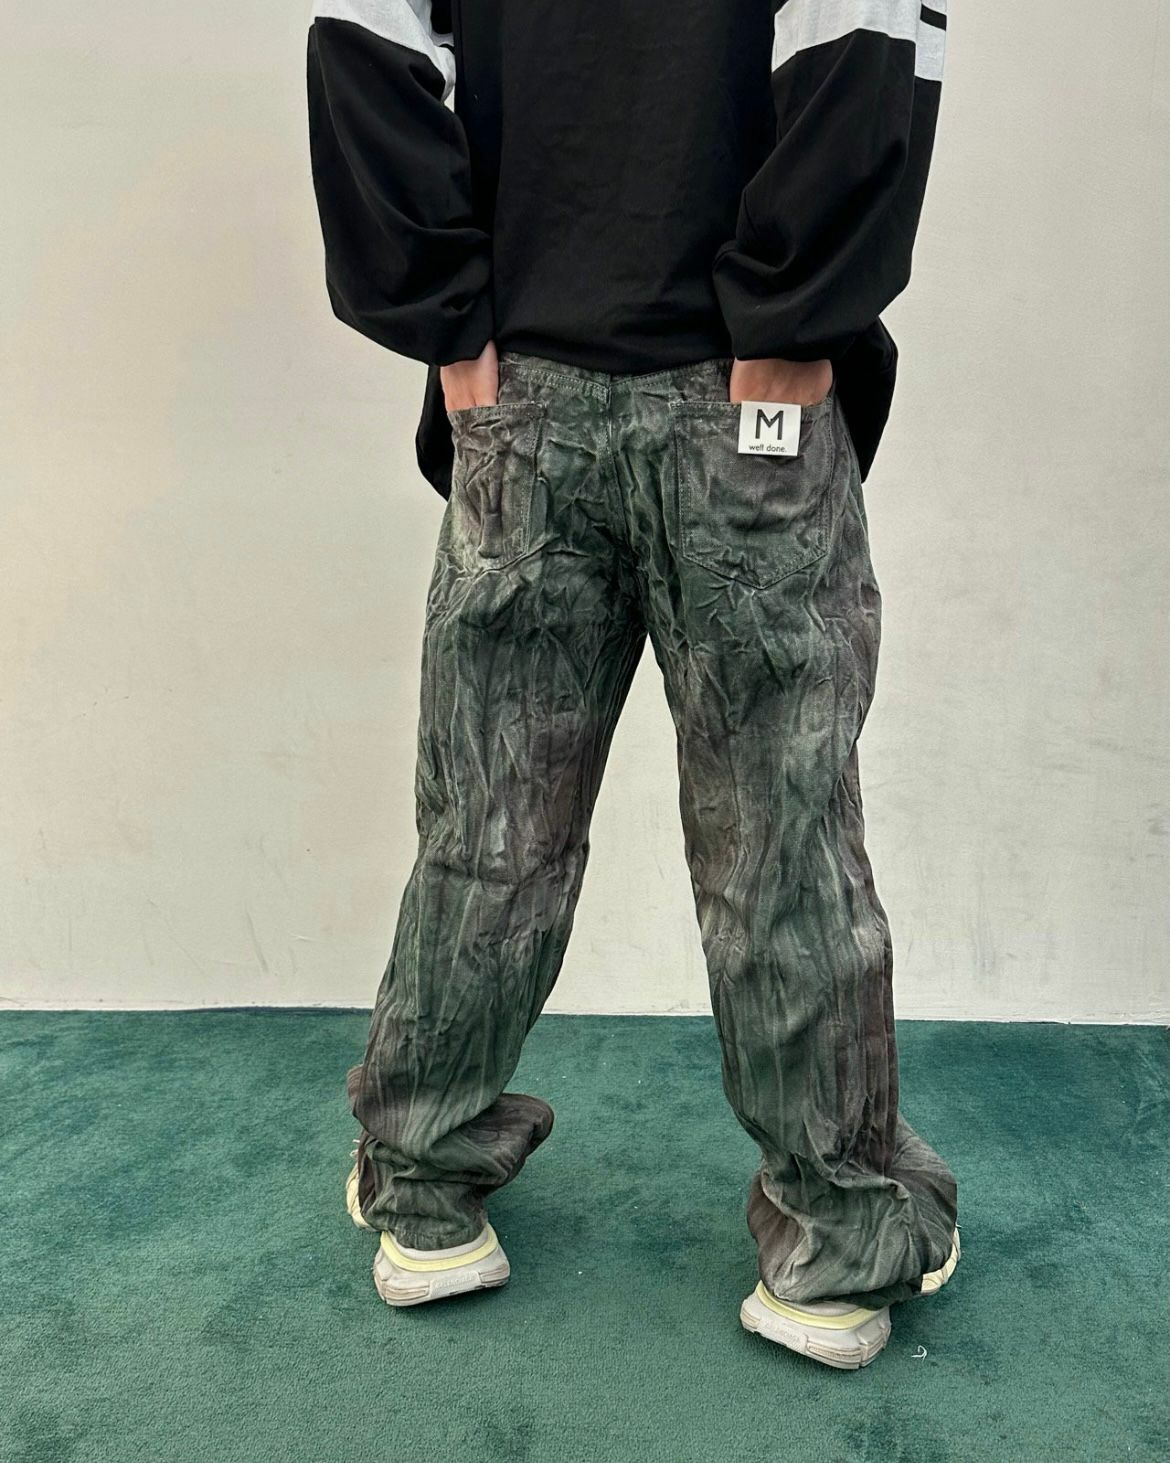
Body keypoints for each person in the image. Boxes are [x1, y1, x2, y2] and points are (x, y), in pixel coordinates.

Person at [305, 0, 960, 1370]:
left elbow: (370, 60)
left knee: (490, 826)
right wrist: (788, 321)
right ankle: (835, 1246)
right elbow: (861, 58)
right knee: (780, 837)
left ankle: (422, 1193)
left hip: (525, 396)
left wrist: (456, 338)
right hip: (743, 399)